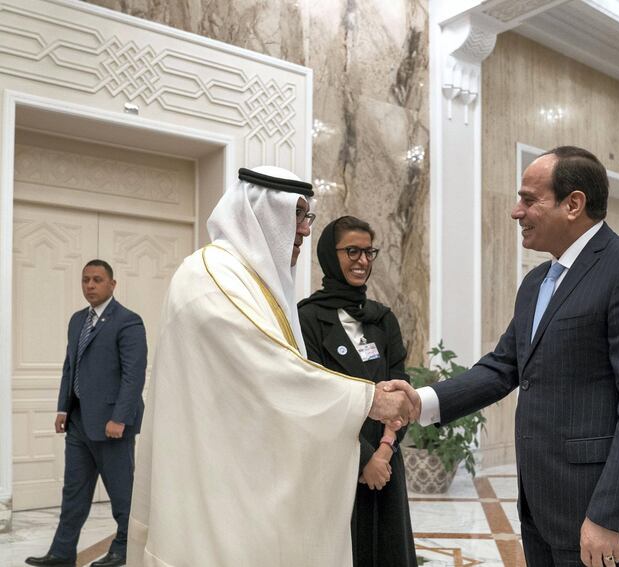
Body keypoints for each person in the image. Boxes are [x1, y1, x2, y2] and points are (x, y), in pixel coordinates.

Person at [126, 166, 416, 567]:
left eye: (307, 217)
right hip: (214, 477)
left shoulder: (249, 280)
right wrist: (368, 399)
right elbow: (270, 373)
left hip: (241, 468)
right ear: (260, 212)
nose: (303, 230)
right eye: (297, 215)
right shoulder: (209, 276)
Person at [412, 146, 619, 567]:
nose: (516, 212)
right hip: (541, 505)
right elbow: (504, 366)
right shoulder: (537, 281)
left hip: (598, 514)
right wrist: (420, 401)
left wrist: (609, 515)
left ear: (573, 203)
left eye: (528, 199)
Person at [298, 216, 416, 567]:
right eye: (352, 251)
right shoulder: (309, 319)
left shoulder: (383, 319)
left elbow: (401, 392)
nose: (363, 261)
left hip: (386, 462)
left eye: (368, 252)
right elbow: (313, 396)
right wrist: (365, 459)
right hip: (336, 462)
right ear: (330, 256)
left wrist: (383, 450)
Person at [26, 260, 147, 567]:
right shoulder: (77, 320)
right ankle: (62, 553)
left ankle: (123, 549)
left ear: (112, 284)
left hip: (112, 425)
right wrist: (63, 406)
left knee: (122, 494)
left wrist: (119, 418)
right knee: (73, 493)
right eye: (85, 280)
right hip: (79, 422)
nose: (90, 285)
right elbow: (71, 366)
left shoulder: (128, 321)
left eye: (97, 279)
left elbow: (134, 375)